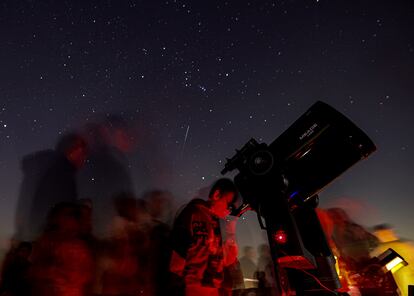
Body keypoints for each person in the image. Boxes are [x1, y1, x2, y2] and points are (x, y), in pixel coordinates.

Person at [169, 178, 240, 296]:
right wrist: (176, 285)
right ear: (217, 195)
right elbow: (178, 248)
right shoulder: (192, 213)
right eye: (229, 205)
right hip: (193, 289)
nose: (229, 211)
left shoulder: (217, 223)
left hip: (213, 289)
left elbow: (227, 260)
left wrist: (231, 232)